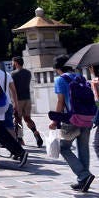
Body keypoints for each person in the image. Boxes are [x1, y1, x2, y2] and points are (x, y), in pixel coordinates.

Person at [49, 54, 94, 192]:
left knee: (64, 148)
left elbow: (61, 102)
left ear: (58, 68)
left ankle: (83, 175)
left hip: (72, 119)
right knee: (83, 148)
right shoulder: (80, 77)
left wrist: (55, 120)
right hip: (87, 117)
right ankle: (83, 180)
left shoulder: (60, 79)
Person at [11, 56, 43, 147]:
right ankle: (36, 133)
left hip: (18, 100)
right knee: (27, 118)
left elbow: (13, 89)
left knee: (18, 120)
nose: (12, 64)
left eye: (13, 62)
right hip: (27, 99)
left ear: (16, 63)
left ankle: (20, 139)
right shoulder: (28, 73)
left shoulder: (13, 74)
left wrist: (13, 102)